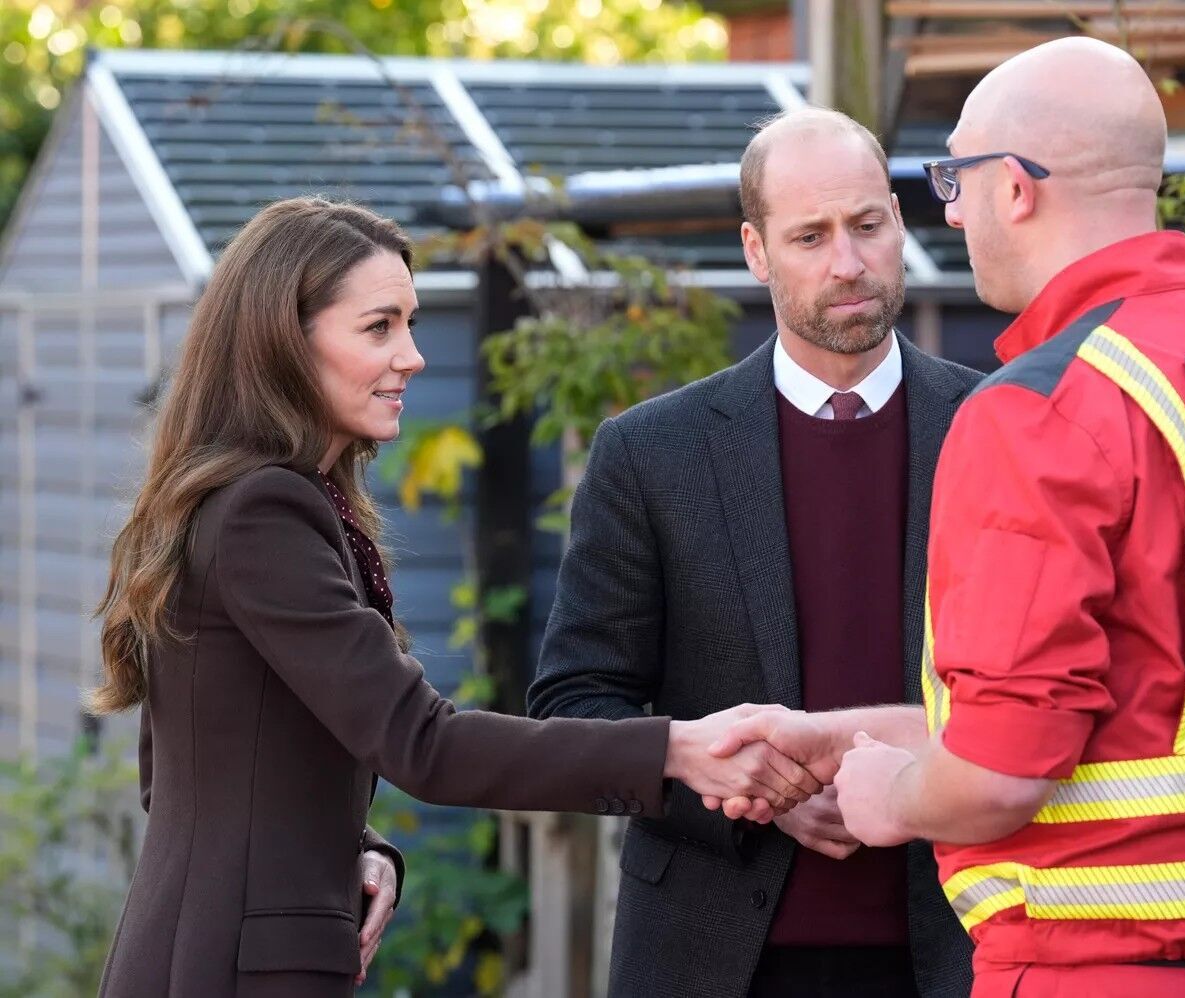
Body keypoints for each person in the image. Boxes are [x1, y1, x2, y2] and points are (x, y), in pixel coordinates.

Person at [721, 36, 1185, 998]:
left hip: (1098, 960)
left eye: (955, 177)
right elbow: (1141, 720)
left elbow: (1001, 772)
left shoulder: (1043, 407)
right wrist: (862, 734)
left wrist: (890, 795)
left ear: (1016, 189)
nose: (948, 210)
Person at [90, 197, 818, 998]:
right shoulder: (266, 512)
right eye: (379, 327)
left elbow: (196, 770)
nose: (413, 356)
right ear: (283, 343)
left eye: (409, 322)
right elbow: (424, 746)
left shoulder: (249, 501)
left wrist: (356, 848)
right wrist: (676, 749)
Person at [526, 108, 979, 998]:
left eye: (866, 226)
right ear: (756, 251)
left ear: (896, 218)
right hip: (713, 950)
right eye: (809, 236)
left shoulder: (999, 429)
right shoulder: (652, 454)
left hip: (960, 943)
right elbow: (577, 706)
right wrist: (754, 793)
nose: (847, 263)